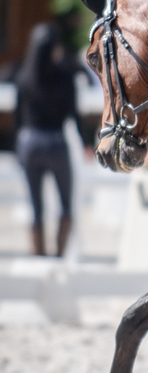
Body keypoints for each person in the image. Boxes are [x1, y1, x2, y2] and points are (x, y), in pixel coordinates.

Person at [15, 22, 82, 257]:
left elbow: (18, 117)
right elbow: (74, 115)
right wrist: (85, 144)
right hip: (55, 142)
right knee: (65, 203)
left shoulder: (24, 77)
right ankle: (58, 254)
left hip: (29, 142)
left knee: (36, 206)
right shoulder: (65, 78)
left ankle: (38, 253)